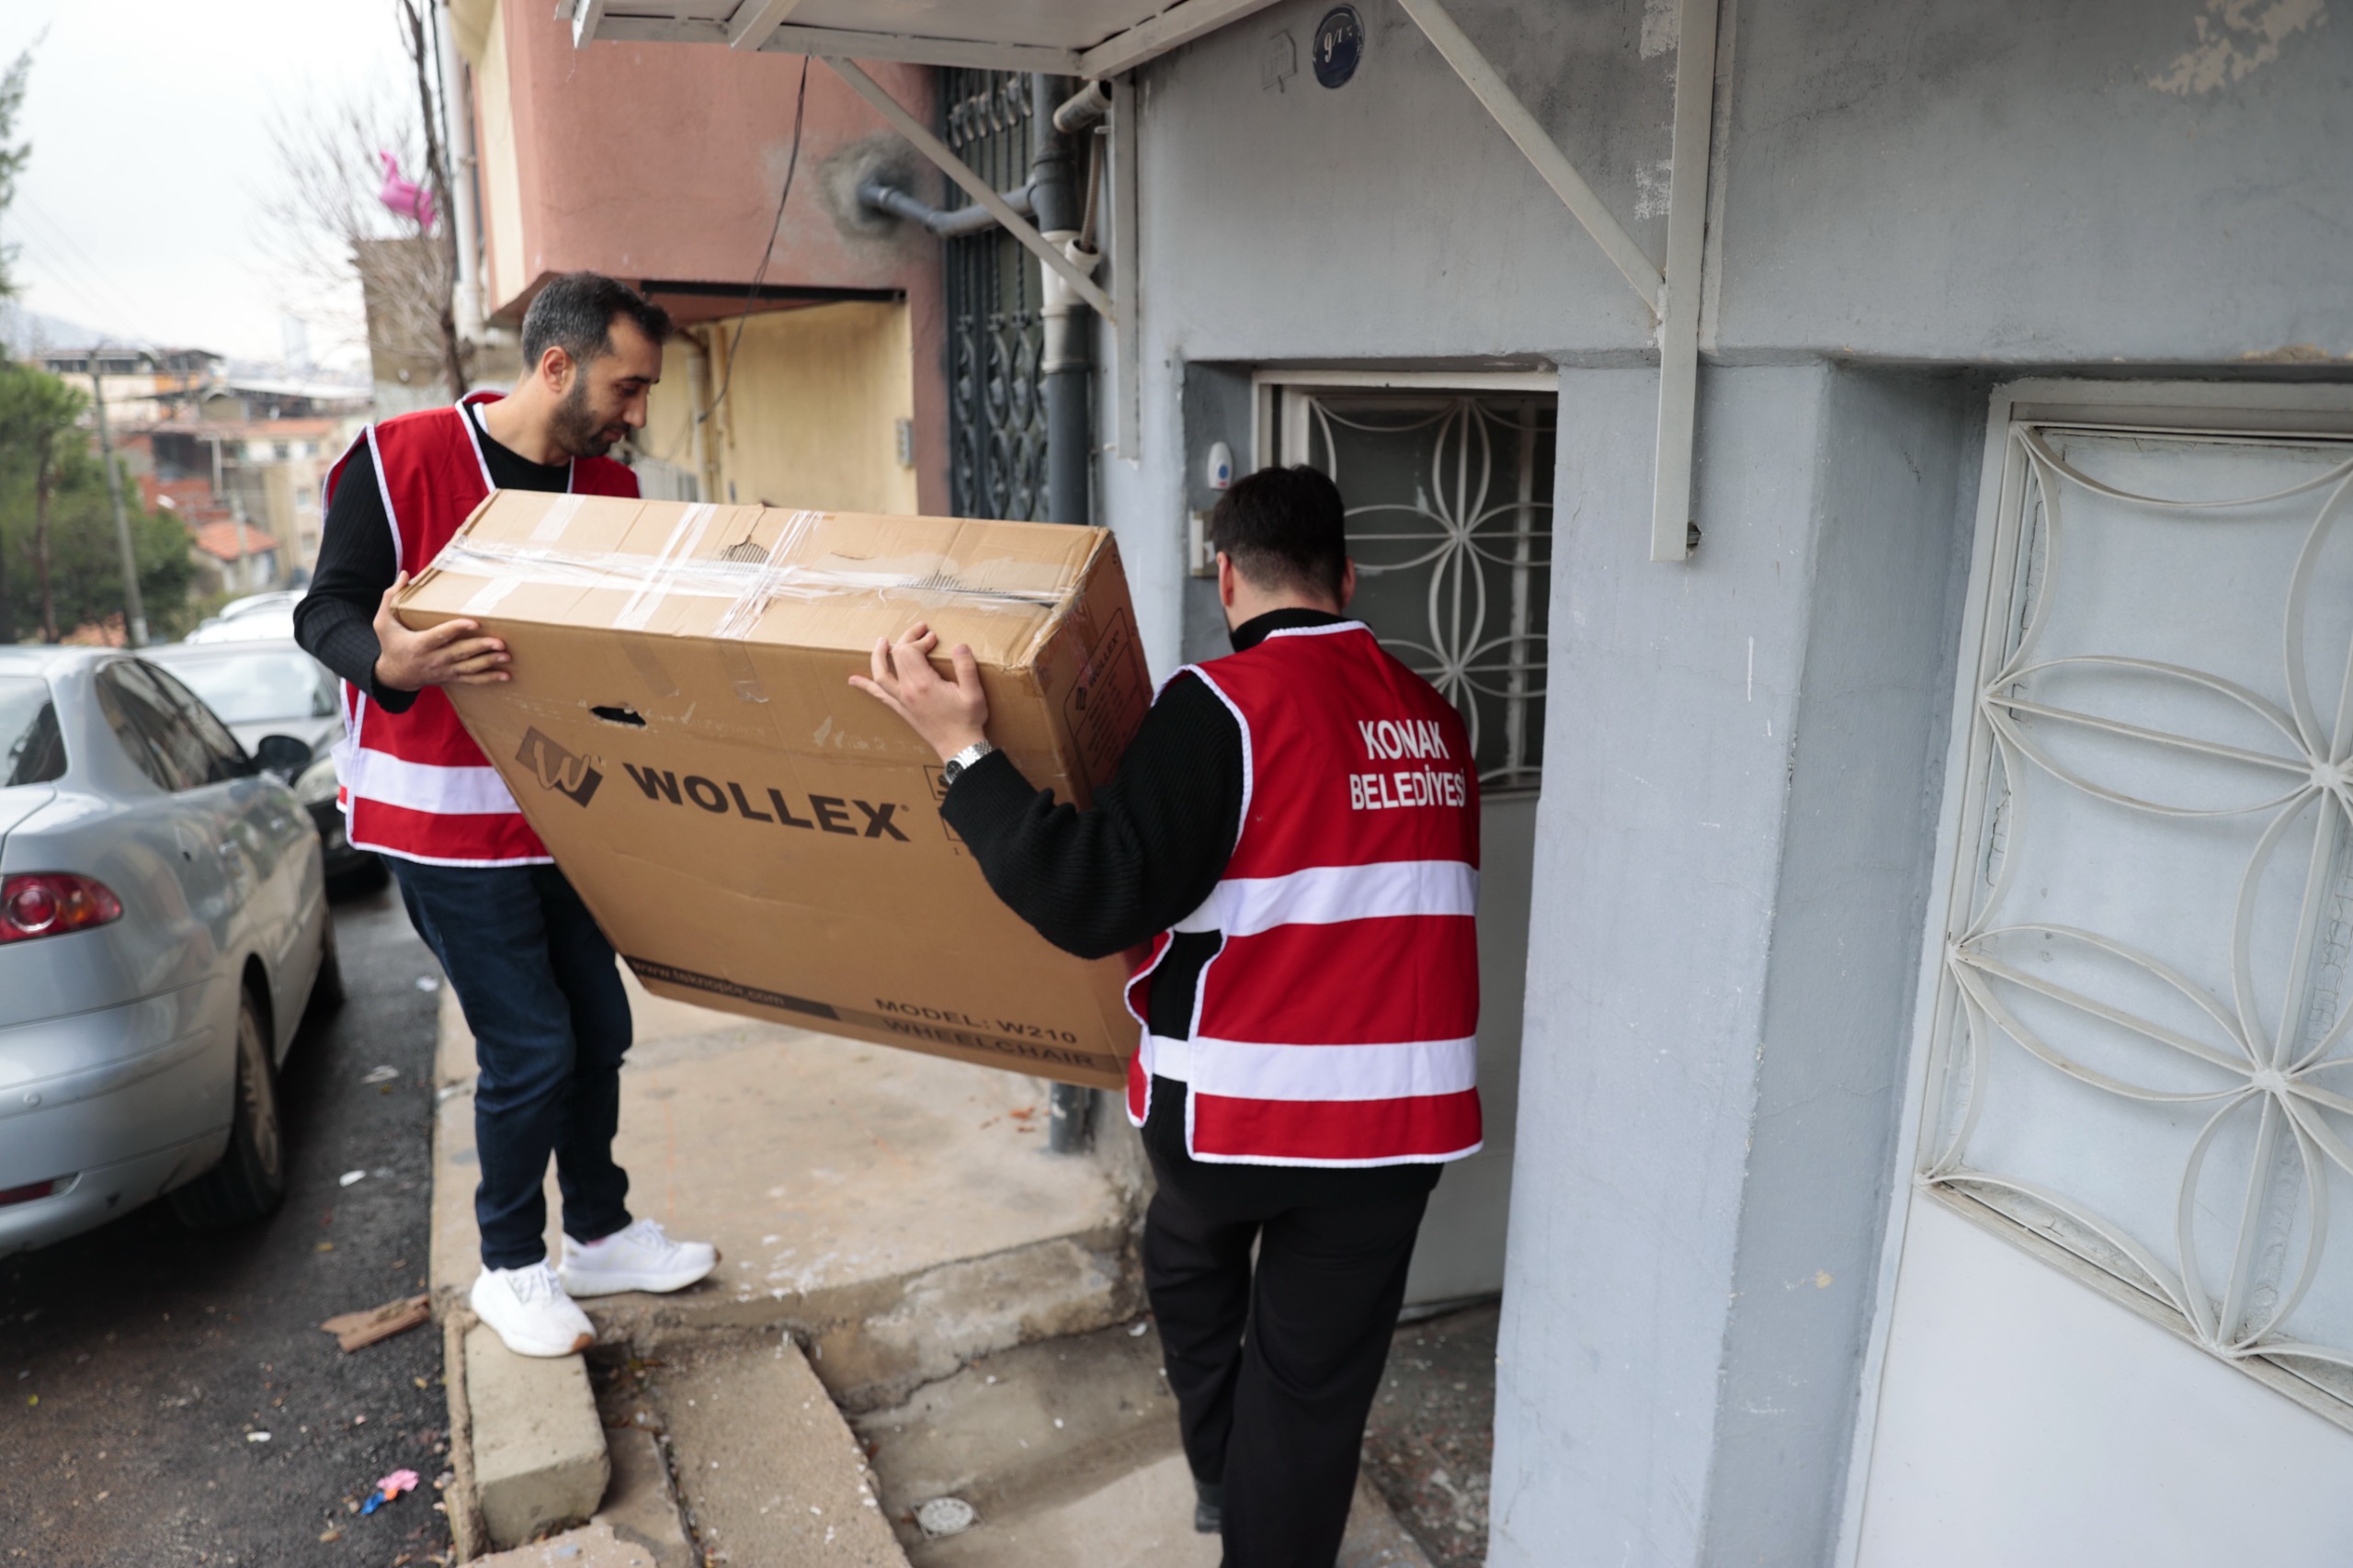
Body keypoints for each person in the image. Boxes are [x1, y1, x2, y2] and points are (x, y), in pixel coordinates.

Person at [850, 465, 1481, 1568]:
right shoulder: (1434, 715)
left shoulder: (1223, 704)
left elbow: (1092, 895)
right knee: (1307, 1392)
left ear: (1225, 575)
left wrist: (963, 754)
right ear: (1346, 577)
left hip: (1239, 1120)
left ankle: (1220, 1471)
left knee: (1191, 1255)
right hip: (1399, 1131)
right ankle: (1244, 1486)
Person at [294, 272, 718, 1358]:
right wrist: (387, 661)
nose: (637, 413)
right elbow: (324, 610)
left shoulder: (611, 492)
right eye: (627, 387)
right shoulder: (398, 457)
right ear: (556, 365)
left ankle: (601, 1232)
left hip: (568, 812)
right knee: (531, 1044)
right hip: (439, 820)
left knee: (599, 1028)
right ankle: (510, 1265)